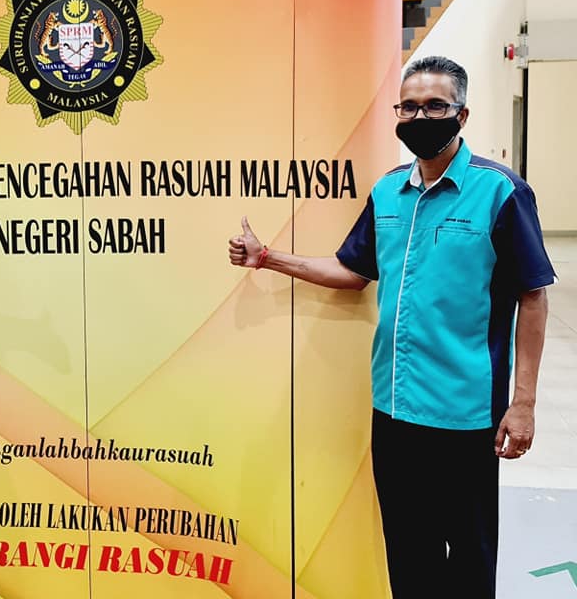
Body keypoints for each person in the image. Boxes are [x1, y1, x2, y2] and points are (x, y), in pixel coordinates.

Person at [228, 56, 555, 599]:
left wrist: (523, 404)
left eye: (435, 106)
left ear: (462, 115)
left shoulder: (500, 191)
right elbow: (352, 271)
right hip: (395, 408)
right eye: (409, 107)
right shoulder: (386, 193)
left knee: (469, 553)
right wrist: (267, 258)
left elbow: (533, 295)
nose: (420, 117)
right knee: (407, 549)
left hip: (466, 411)